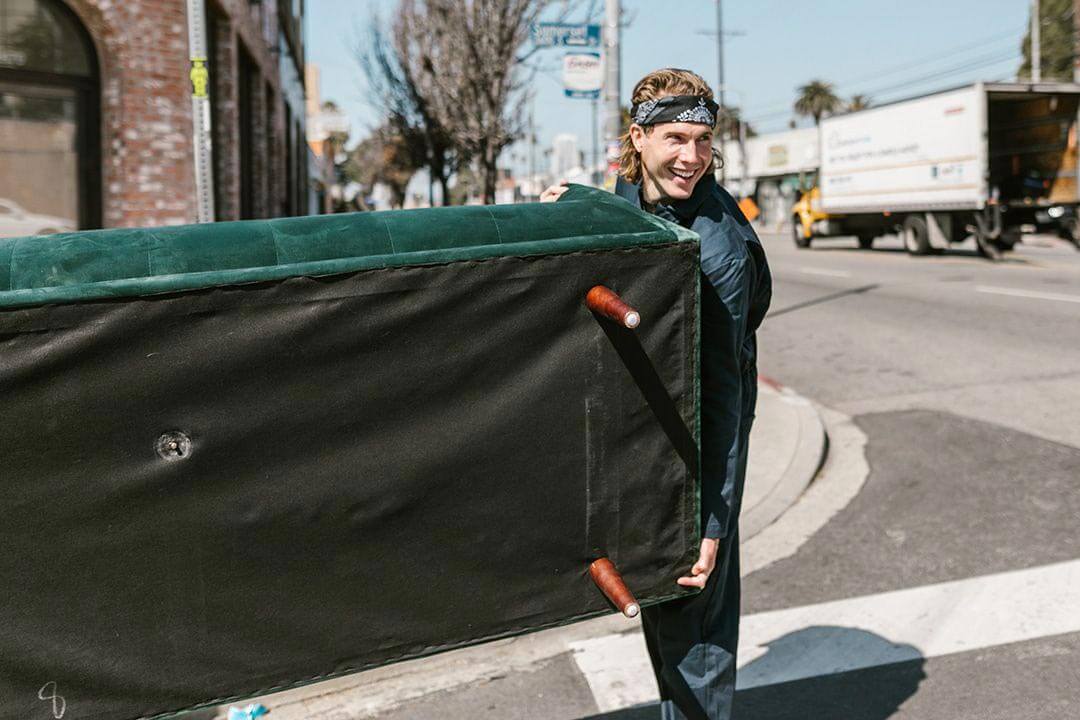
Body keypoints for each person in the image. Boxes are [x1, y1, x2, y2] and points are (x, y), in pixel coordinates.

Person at [542, 67, 771, 719]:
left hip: (702, 442)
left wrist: (713, 523)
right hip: (653, 428)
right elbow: (622, 209)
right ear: (637, 139)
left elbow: (727, 400)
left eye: (703, 140)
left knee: (695, 638)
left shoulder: (719, 248)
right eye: (676, 137)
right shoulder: (634, 193)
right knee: (666, 620)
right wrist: (581, 202)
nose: (691, 157)